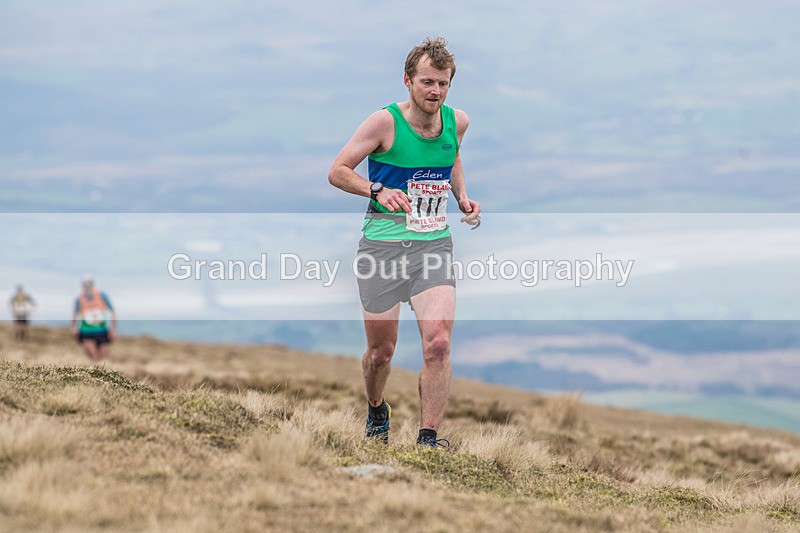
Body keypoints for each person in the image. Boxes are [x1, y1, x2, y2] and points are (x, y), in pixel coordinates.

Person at [328, 37, 481, 448]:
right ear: (408, 81)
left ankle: (428, 439)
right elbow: (338, 171)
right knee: (381, 352)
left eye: (443, 84)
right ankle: (377, 407)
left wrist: (462, 196)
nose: (435, 91)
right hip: (382, 248)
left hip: (433, 246)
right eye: (427, 82)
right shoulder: (384, 123)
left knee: (439, 343)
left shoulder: (457, 121)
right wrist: (375, 189)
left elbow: (451, 158)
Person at [70, 275, 117, 361]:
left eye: (89, 284)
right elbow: (75, 314)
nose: (87, 287)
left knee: (103, 358)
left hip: (102, 331)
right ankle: (93, 372)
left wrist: (113, 329)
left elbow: (112, 311)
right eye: (85, 284)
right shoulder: (79, 299)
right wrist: (73, 327)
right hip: (86, 331)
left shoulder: (102, 295)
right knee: (93, 356)